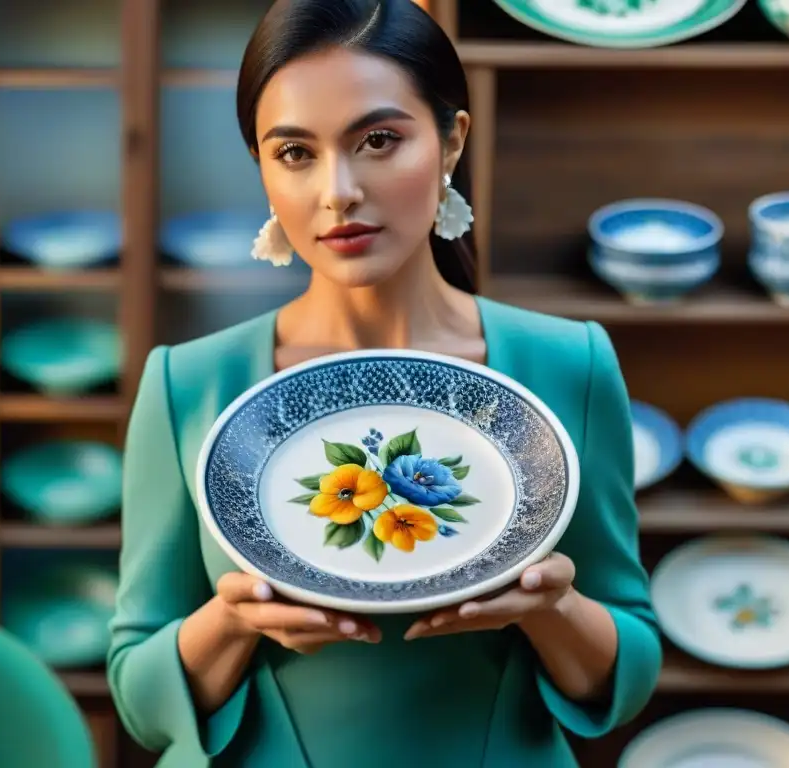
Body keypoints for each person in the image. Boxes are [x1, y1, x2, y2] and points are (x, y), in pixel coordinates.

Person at [107, 1, 662, 766]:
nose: (338, 191)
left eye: (378, 141)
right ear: (264, 172)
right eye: (295, 153)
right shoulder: (189, 383)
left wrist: (553, 608)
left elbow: (627, 669)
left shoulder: (570, 364)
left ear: (451, 142)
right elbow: (138, 691)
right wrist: (234, 622)